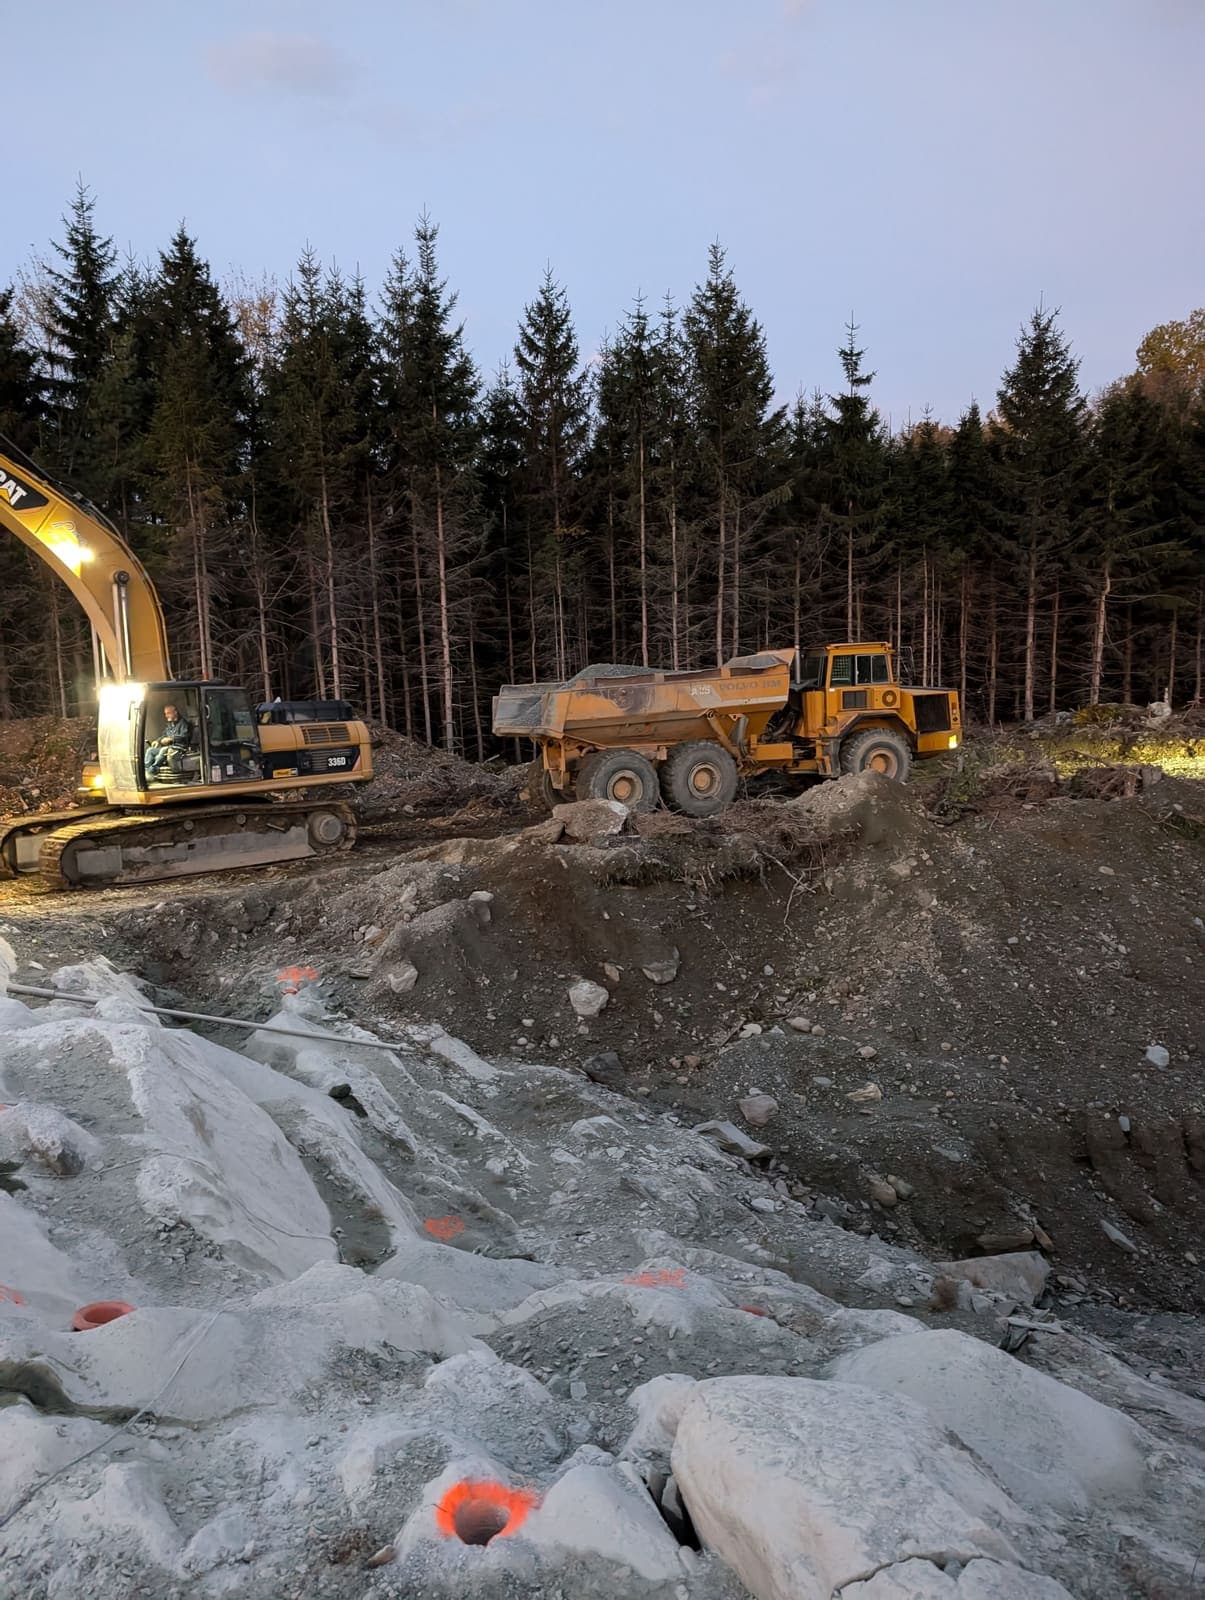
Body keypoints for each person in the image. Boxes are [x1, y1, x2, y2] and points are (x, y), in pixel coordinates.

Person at [144, 704, 193, 779]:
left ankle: (152, 770)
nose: (166, 716)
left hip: (179, 748)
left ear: (175, 712)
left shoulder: (184, 724)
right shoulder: (170, 725)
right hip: (169, 747)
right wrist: (158, 741)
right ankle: (146, 771)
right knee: (150, 750)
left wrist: (171, 739)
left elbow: (185, 737)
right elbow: (164, 735)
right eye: (165, 714)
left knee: (163, 749)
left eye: (168, 713)